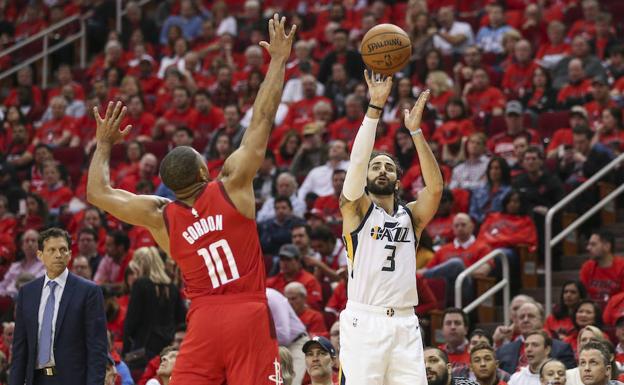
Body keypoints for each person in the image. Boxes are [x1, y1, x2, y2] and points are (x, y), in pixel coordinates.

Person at [86, 14, 297, 385]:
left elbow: (98, 193)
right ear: (203, 172)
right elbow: (261, 120)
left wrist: (103, 144)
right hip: (247, 312)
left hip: (202, 319)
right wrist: (278, 60)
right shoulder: (230, 185)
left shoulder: (160, 214)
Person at [338, 70, 443, 384]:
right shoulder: (355, 210)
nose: (381, 170)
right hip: (364, 321)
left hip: (405, 323)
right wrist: (374, 109)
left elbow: (436, 189)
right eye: (375, 166)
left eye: (388, 167)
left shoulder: (410, 217)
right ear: (367, 178)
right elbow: (356, 162)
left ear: (398, 180)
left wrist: (416, 133)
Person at [10, 228, 108, 385]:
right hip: (36, 379)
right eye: (52, 250)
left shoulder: (89, 291)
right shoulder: (27, 293)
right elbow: (20, 350)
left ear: (69, 254)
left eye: (63, 250)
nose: (58, 255)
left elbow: (97, 348)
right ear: (40, 255)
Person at [122, 247, 187, 369]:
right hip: (168, 348)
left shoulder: (141, 284)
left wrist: (125, 351)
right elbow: (181, 318)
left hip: (144, 349)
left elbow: (131, 321)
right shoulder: (172, 286)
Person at [496, 302, 576, 373]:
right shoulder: (503, 351)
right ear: (516, 322)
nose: (525, 320)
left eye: (531, 316)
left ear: (542, 320)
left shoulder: (562, 349)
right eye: (521, 317)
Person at [266, 287, 308, 385]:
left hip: (296, 343)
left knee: (293, 382)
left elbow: (284, 335)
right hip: (275, 347)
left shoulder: (271, 296)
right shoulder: (245, 302)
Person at [579, 230, 624, 308]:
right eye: (588, 244)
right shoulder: (587, 267)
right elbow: (582, 295)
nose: (588, 248)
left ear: (607, 246)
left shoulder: (622, 267)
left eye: (593, 244)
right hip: (592, 315)